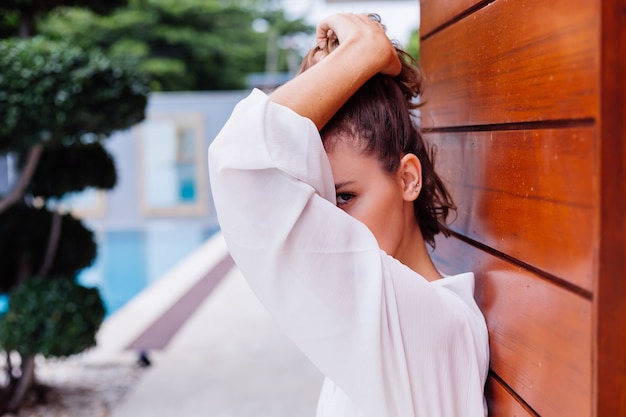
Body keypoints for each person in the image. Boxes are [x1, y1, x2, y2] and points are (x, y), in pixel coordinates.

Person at [208, 13, 489, 417]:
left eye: (345, 197)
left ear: (408, 178)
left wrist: (362, 51)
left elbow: (243, 159)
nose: (332, 225)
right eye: (323, 204)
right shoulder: (400, 318)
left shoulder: (419, 324)